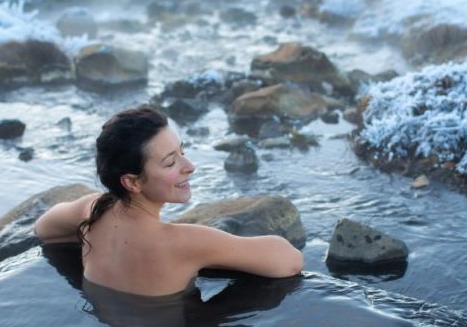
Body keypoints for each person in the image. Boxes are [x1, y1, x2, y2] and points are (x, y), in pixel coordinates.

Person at [34, 105, 303, 296]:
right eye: (170, 161)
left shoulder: (92, 209)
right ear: (132, 182)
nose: (190, 166)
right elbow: (290, 260)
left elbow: (44, 229)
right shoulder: (185, 242)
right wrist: (214, 251)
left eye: (182, 151)